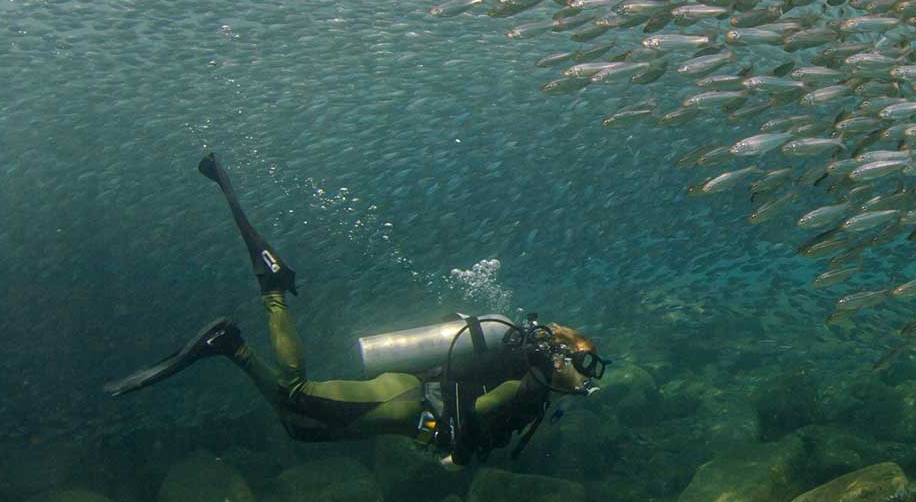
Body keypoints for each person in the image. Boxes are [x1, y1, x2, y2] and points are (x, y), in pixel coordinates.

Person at [105, 155, 605, 466]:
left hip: (411, 410)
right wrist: (469, 433)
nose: (584, 378)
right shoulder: (533, 376)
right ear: (561, 355)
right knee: (298, 396)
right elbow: (477, 408)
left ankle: (232, 348)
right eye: (581, 365)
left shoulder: (534, 379)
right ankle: (270, 290)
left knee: (299, 428)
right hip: (404, 401)